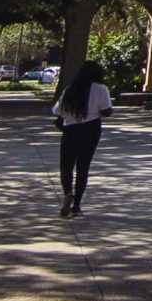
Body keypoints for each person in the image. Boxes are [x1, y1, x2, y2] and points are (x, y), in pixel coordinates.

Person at [52, 59, 113, 217]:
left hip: (70, 129)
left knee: (66, 166)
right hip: (91, 129)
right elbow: (107, 111)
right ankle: (77, 205)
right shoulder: (101, 89)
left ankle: (67, 193)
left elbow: (57, 111)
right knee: (83, 167)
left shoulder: (70, 89)